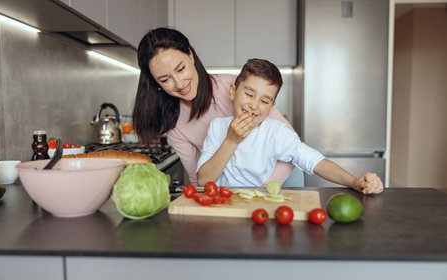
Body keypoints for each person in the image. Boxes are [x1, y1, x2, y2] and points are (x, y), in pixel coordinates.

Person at [132, 27, 294, 185]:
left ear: (190, 55)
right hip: (235, 191)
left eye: (181, 69)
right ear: (156, 83)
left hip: (279, 178)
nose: (180, 84)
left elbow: (293, 148)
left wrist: (263, 189)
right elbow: (199, 180)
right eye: (165, 79)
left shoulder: (234, 88)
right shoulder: (174, 125)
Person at [196, 58, 383, 194]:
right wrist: (231, 140)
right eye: (249, 93)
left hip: (256, 206)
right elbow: (204, 180)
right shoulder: (217, 127)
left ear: (271, 107)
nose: (254, 105)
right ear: (233, 92)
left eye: (265, 100)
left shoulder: (276, 133)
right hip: (221, 205)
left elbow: (315, 161)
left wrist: (354, 181)